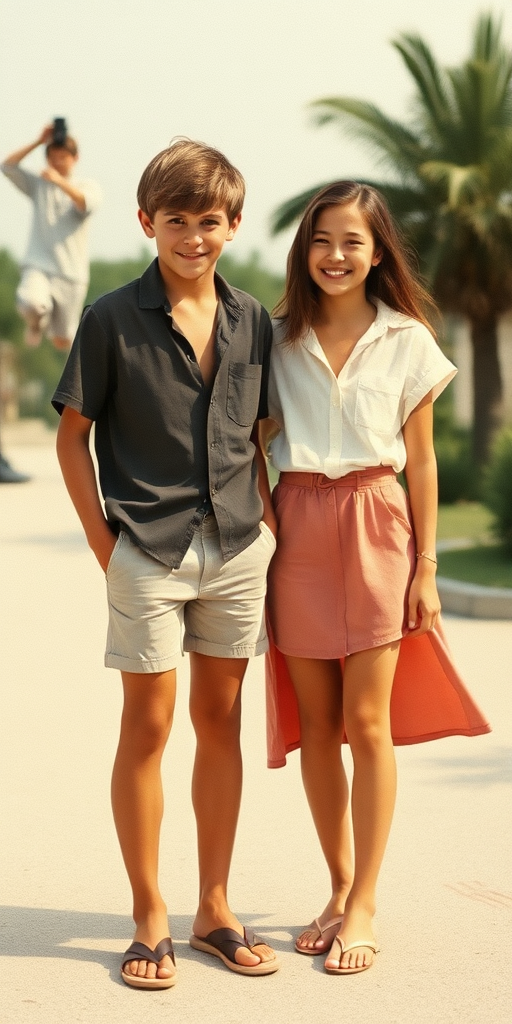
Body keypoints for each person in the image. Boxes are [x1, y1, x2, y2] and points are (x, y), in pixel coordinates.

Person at [52, 139, 280, 989]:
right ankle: (149, 914)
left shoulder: (253, 319)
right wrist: (100, 541)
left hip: (236, 550)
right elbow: (74, 437)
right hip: (144, 548)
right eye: (176, 221)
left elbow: (263, 437)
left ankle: (213, 907)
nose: (193, 237)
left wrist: (268, 532)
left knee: (220, 726)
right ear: (146, 222)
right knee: (146, 730)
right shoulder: (112, 317)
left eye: (209, 222)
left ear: (233, 225)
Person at [263, 181, 491, 976]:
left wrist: (427, 566)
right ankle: (337, 886)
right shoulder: (274, 338)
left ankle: (365, 903)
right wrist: (263, 523)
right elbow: (256, 440)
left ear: (377, 250)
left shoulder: (408, 339)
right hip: (295, 530)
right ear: (306, 249)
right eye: (322, 240)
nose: (336, 255)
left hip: (376, 522)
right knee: (316, 728)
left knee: (368, 724)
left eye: (352, 241)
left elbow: (421, 459)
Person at [1, 123, 102, 351]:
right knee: (32, 303)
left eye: (62, 157)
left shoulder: (87, 185)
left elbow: (85, 203)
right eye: (53, 157)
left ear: (75, 158)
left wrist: (59, 182)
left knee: (63, 340)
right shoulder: (39, 185)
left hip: (71, 274)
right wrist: (38, 141)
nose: (57, 162)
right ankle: (36, 325)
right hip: (38, 264)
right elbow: (8, 166)